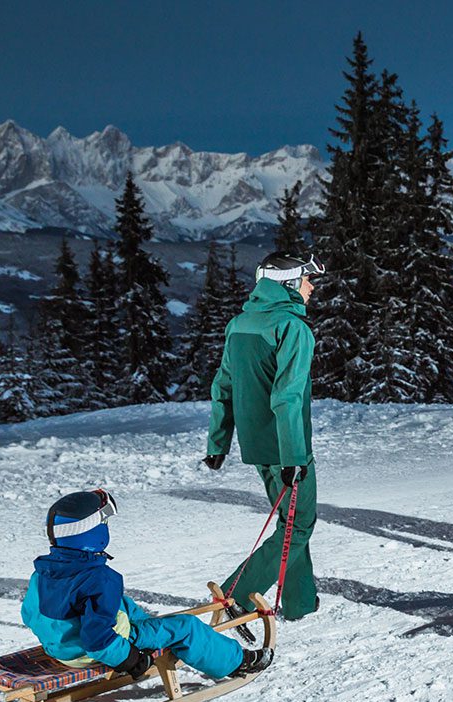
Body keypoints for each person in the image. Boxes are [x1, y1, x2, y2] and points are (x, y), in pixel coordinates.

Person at [22, 489, 271, 679]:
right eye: (103, 524)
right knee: (186, 627)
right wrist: (130, 660)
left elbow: (30, 615)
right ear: (92, 534)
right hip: (86, 652)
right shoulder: (99, 580)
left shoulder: (43, 571)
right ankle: (237, 661)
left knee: (119, 603)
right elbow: (97, 642)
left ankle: (145, 630)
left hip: (59, 648)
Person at [203, 252, 325, 620]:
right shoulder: (293, 328)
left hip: (255, 445)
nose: (312, 286)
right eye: (306, 279)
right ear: (288, 283)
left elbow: (222, 385)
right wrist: (293, 458)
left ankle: (301, 601)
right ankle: (235, 593)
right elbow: (287, 396)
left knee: (291, 523)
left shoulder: (240, 324)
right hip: (287, 447)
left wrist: (217, 443)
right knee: (300, 524)